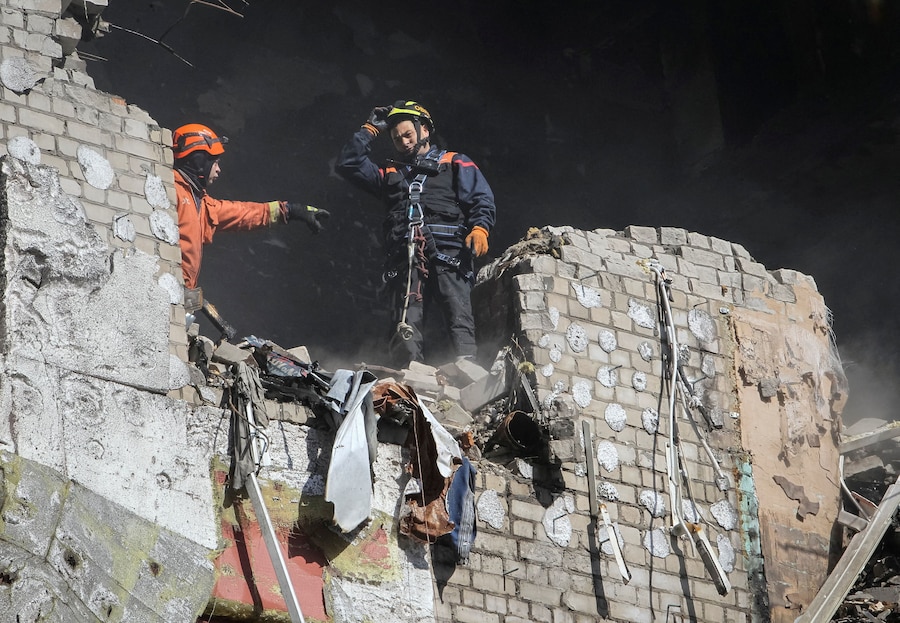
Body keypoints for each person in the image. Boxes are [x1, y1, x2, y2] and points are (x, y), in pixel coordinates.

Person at [336, 100, 497, 366]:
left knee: (459, 314)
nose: (404, 142)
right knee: (405, 323)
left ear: (424, 130)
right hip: (406, 259)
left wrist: (480, 228)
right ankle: (408, 375)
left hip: (449, 254)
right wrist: (369, 130)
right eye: (397, 138)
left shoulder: (454, 161)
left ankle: (468, 369)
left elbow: (481, 198)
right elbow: (349, 164)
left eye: (408, 134)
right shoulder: (390, 174)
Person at [172, 123, 329, 299]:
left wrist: (290, 210)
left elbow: (242, 214)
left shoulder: (199, 203)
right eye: (215, 162)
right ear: (198, 161)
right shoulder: (173, 192)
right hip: (169, 293)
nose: (218, 169)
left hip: (177, 295)